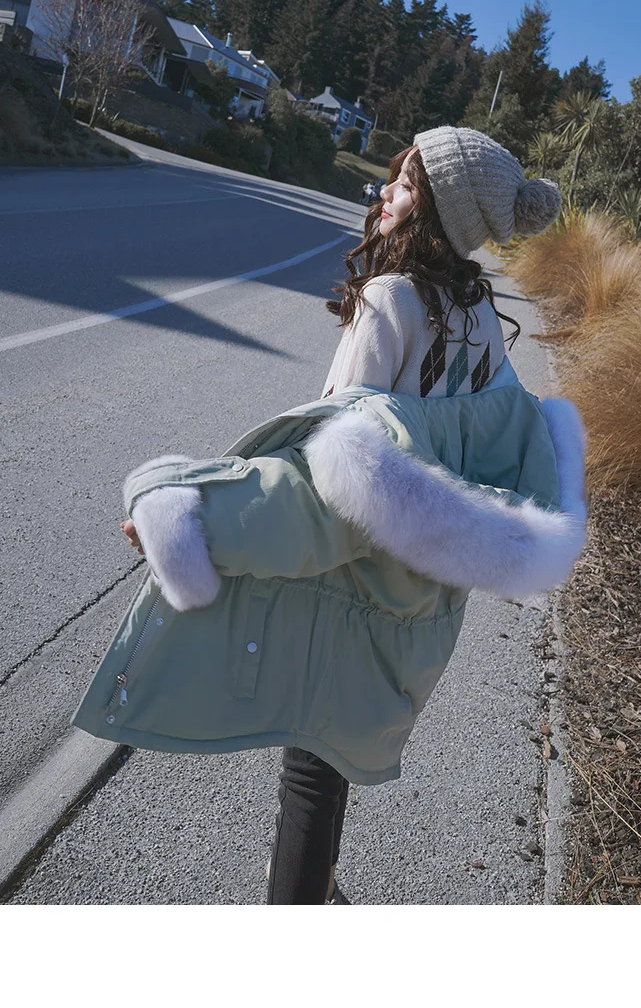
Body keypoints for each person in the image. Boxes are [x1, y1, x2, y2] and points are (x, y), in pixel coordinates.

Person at [76, 126, 588, 906]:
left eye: (404, 183)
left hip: (347, 577)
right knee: (331, 759)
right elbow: (483, 455)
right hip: (421, 595)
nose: (384, 192)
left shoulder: (389, 301)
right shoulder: (484, 321)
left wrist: (199, 515)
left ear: (441, 210)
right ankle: (315, 891)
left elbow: (322, 474)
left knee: (308, 771)